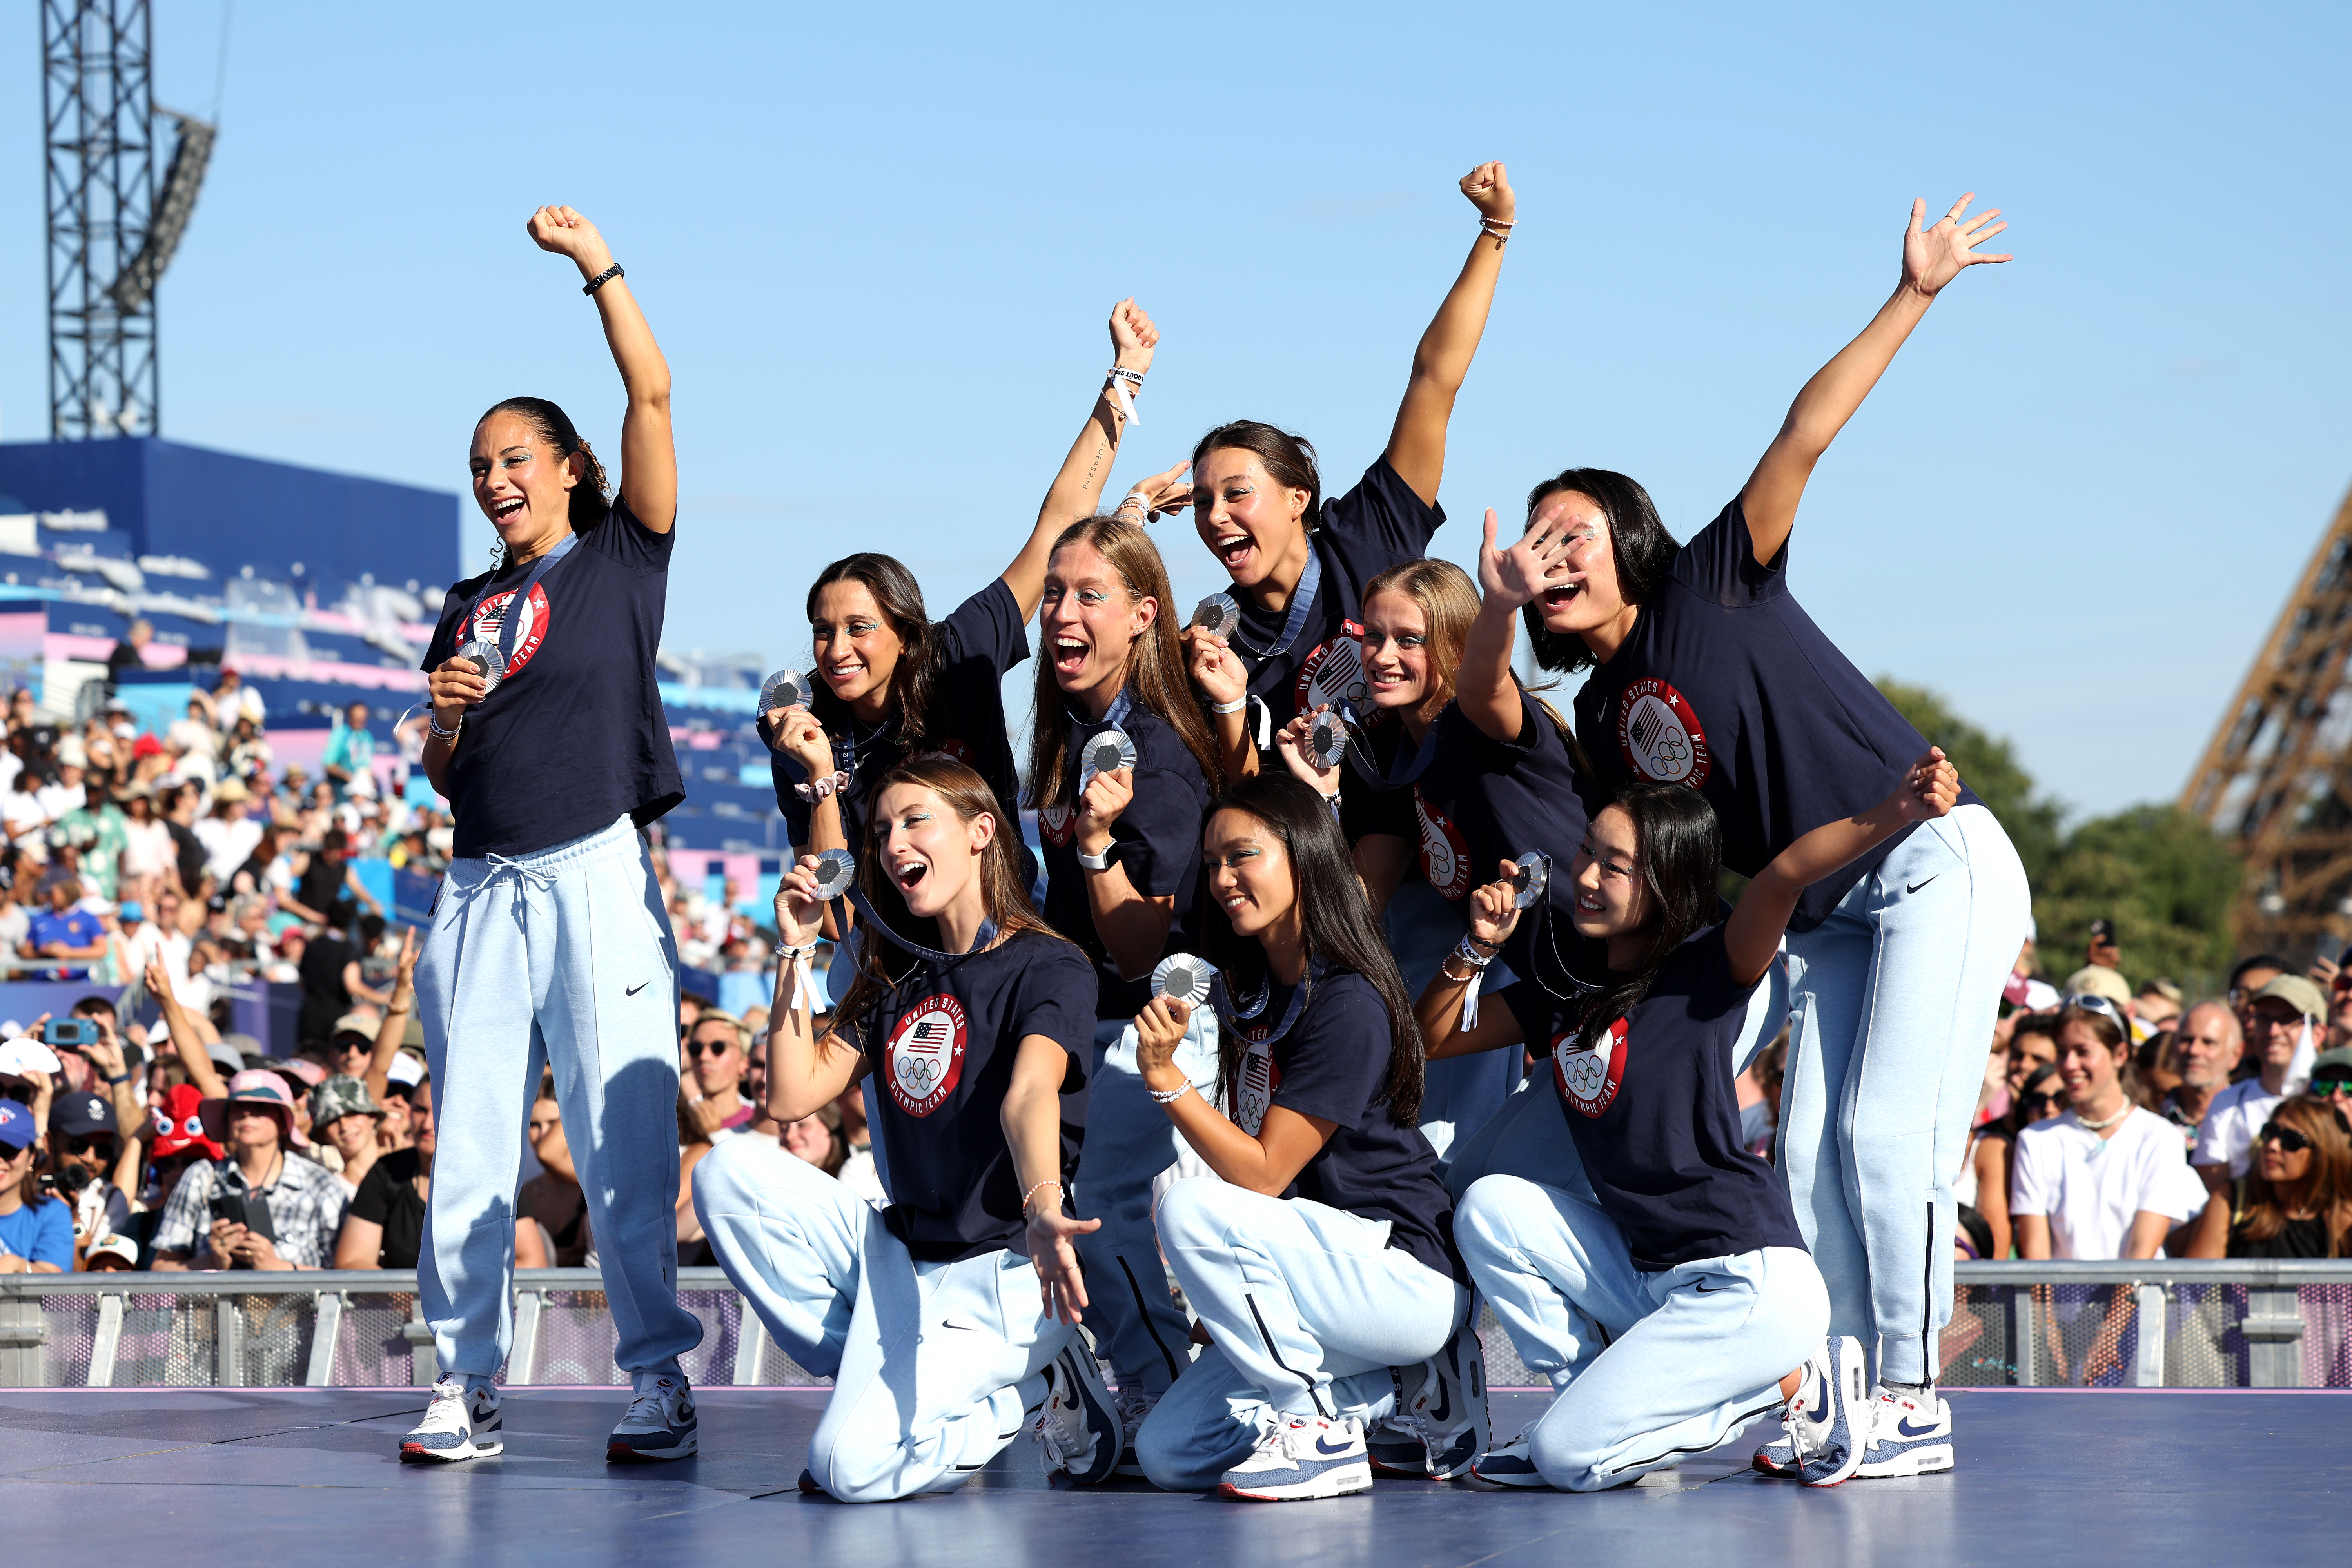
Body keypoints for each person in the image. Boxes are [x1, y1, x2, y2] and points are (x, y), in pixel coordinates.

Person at [1521, 192, 2031, 1469]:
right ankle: (1837, 1390)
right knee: (1802, 1159)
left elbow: (1804, 433)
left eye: (1573, 529)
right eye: (1535, 539)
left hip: (1929, 856)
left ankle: (1914, 1388)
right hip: (1826, 907)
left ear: (1628, 544)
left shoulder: (1709, 577)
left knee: (1881, 1136)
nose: (1552, 550)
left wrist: (1914, 292)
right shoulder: (1592, 723)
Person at [1422, 750, 1963, 1488]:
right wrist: (1477, 946)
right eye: (1587, 851)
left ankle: (1788, 1382)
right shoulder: (1571, 993)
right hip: (1650, 1278)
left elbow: (1781, 878)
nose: (1585, 877)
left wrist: (1897, 813)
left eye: (1615, 867)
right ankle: (1578, 1401)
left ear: (1667, 884)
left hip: (1746, 1282)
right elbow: (1435, 1037)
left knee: (1567, 1462)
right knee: (1487, 1204)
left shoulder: (1707, 971)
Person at [403, 205, 704, 1467]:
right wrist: (442, 719)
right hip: (478, 882)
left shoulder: (620, 558)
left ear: (568, 464)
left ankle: (656, 1380)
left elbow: (652, 386)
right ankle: (465, 1380)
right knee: (468, 1143)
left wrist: (598, 269)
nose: (494, 478)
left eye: (514, 455)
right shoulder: (466, 605)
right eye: (478, 464)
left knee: (619, 1142)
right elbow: (439, 773)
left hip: (590, 868)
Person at [691, 757, 1116, 1501]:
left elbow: (1028, 1094)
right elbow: (792, 1095)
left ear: (983, 830)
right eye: (883, 829)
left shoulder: (1049, 964)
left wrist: (1046, 1205)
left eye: (916, 820)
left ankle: (1025, 1391)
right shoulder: (893, 977)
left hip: (1003, 1274)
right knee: (725, 1175)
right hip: (904, 1257)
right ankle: (961, 1389)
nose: (892, 844)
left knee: (846, 1470)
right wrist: (794, 948)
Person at [770, 298, 1163, 1010]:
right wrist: (824, 778)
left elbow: (1059, 522)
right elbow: (836, 916)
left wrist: (1125, 376)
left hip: (1003, 931)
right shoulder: (809, 739)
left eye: (860, 628)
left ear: (907, 634)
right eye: (823, 632)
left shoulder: (957, 655)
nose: (836, 649)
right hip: (884, 957)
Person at [1126, 773, 1474, 1501]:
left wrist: (1167, 1082)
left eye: (1243, 856)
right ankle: (1400, 1388)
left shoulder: (1348, 1000)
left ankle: (1317, 1425)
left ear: (1304, 857)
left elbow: (1259, 1176)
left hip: (1403, 1273)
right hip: (1325, 1271)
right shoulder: (1254, 988)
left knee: (1190, 1210)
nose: (1223, 878)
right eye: (1214, 861)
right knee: (1171, 1453)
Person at [1136, 163, 1517, 779]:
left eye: (1237, 494)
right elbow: (1245, 797)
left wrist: (1495, 227)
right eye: (1203, 501)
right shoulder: (1210, 640)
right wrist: (1131, 514)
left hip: (1447, 813)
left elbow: (1434, 380)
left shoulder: (1367, 534)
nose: (1215, 516)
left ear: (1297, 498)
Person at [1276, 548, 1597, 1162]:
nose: (1383, 655)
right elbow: (1349, 912)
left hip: (1671, 979)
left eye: (1409, 639)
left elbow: (1488, 682)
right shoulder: (1399, 762)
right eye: (1373, 636)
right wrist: (1321, 795)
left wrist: (1501, 607)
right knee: (1478, 1187)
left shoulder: (1485, 726)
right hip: (1568, 997)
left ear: (1455, 645)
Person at [1025, 515, 1221, 1462]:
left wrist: (1098, 843)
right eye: (1055, 591)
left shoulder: (1157, 755)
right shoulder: (1076, 732)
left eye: (1088, 594)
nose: (1062, 610)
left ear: (1144, 616)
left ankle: (1158, 1389)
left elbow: (1149, 946)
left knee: (1100, 1204)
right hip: (1093, 1014)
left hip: (1161, 1018)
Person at [2011, 997, 2205, 1263]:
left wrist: (2117, 1307)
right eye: (2062, 1052)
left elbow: (2141, 1255)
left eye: (2083, 1052)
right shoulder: (2035, 1140)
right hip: (2060, 1304)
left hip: (2138, 1302)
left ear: (2120, 1055)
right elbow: (2037, 1259)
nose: (2069, 1065)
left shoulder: (2161, 1137)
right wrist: (2047, 1306)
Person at [149, 1069, 348, 1270]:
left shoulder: (320, 1184)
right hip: (215, 1302)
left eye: (260, 1107)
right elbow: (161, 1269)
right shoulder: (201, 1176)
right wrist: (214, 1262)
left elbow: (347, 1278)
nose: (247, 1113)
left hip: (298, 1304)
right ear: (227, 1120)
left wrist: (280, 1269)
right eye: (238, 1107)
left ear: (282, 1121)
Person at [2195, 975, 2323, 1194]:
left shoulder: (2334, 1101)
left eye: (2288, 1020)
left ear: (2318, 1034)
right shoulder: (2228, 1102)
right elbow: (2214, 1193)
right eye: (2264, 1019)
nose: (2273, 1031)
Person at [2186, 1095, 2352, 1259]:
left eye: (2290, 1140)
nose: (2272, 1145)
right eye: (2270, 1132)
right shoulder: (2232, 1201)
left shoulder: (2343, 1219)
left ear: (2323, 1154)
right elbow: (2198, 1283)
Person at [1967, 1013, 2064, 1262]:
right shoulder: (1988, 1136)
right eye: (2018, 1055)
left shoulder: (2060, 1139)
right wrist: (1977, 1106)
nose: (2023, 1065)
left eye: (2038, 1059)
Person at [335, 1078, 435, 1269]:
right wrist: (405, 1297)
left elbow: (511, 1260)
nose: (427, 1124)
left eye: (439, 1111)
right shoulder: (386, 1171)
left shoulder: (489, 1178)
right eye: (420, 1110)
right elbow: (351, 1262)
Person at [2160, 1001, 2241, 1152]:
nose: (2194, 1051)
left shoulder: (2245, 1121)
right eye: (2186, 1040)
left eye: (2209, 1042)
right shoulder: (2151, 1114)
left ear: (2235, 1054)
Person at [0, 1102, 71, 1273]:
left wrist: (18, 1266)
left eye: (8, 1150)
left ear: (32, 1158)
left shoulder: (52, 1214)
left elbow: (55, 1283)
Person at [308, 1074, 387, 1201]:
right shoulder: (325, 1194)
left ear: (373, 1116)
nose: (344, 1127)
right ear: (323, 1134)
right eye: (332, 1121)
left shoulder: (406, 1174)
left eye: (352, 1114)